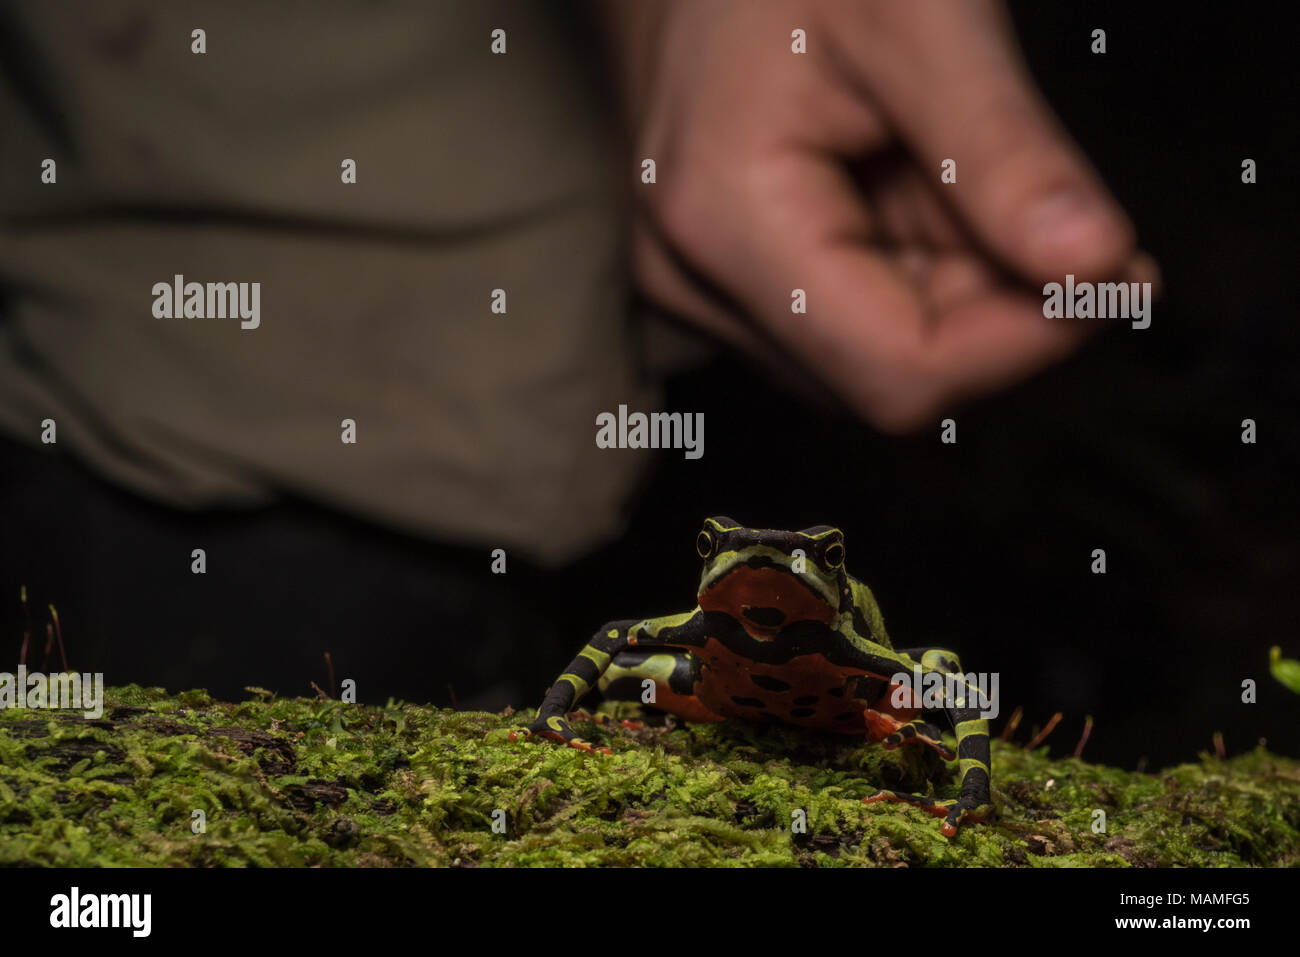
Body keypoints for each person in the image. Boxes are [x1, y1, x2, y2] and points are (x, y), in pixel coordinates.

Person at [0, 0, 1152, 703]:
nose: (759, 572)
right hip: (235, 396)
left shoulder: (868, 650)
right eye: (725, 554)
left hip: (588, 355)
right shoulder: (657, 645)